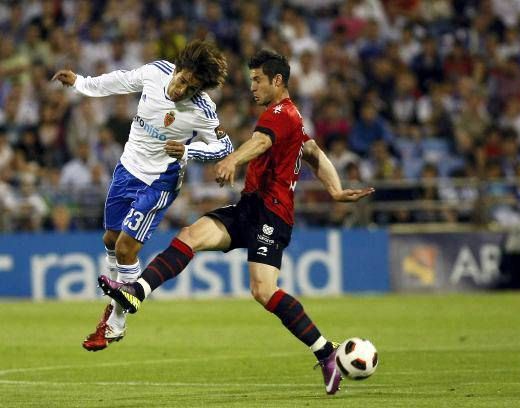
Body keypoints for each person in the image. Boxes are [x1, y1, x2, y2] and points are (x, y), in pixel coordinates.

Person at [98, 50, 373, 395]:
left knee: (263, 291)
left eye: (257, 79)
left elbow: (259, 142)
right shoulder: (294, 117)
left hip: (272, 215)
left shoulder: (279, 114)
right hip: (249, 207)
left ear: (277, 81)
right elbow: (315, 154)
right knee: (190, 235)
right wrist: (335, 189)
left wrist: (231, 160)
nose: (252, 86)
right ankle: (135, 292)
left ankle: (325, 351)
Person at [52, 40, 233, 351]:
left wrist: (189, 150)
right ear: (178, 69)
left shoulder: (202, 109)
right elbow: (119, 80)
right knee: (110, 240)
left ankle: (115, 322)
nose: (182, 90)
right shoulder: (155, 72)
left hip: (159, 181)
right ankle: (115, 303)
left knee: (124, 248)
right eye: (183, 81)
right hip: (127, 169)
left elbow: (224, 146)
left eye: (192, 89)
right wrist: (80, 82)